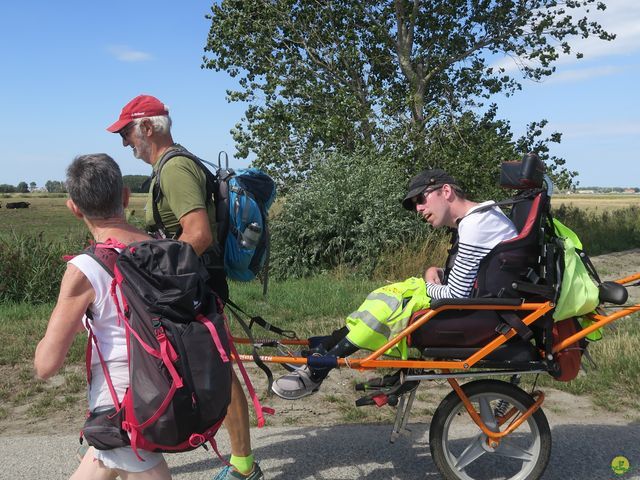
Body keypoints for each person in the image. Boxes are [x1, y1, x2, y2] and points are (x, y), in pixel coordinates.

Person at [107, 95, 263, 480]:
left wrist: (156, 272)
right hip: (191, 285)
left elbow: (198, 234)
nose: (126, 143)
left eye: (126, 133)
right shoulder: (169, 166)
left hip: (194, 288)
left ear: (147, 127)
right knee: (211, 369)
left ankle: (242, 467)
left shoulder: (174, 169)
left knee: (217, 371)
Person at [272, 168, 518, 400]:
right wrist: (437, 272)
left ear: (446, 191)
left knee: (387, 305)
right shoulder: (483, 217)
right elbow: (476, 272)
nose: (419, 209)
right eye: (415, 205)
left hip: (472, 313)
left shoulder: (475, 225)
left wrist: (426, 282)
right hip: (480, 305)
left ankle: (317, 369)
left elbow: (456, 294)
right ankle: (323, 349)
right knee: (385, 296)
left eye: (421, 199)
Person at [34, 154, 172, 479]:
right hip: (168, 384)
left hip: (123, 401)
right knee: (100, 461)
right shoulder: (166, 249)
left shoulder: (84, 269)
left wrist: (40, 351)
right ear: (125, 195)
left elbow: (46, 365)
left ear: (74, 208)